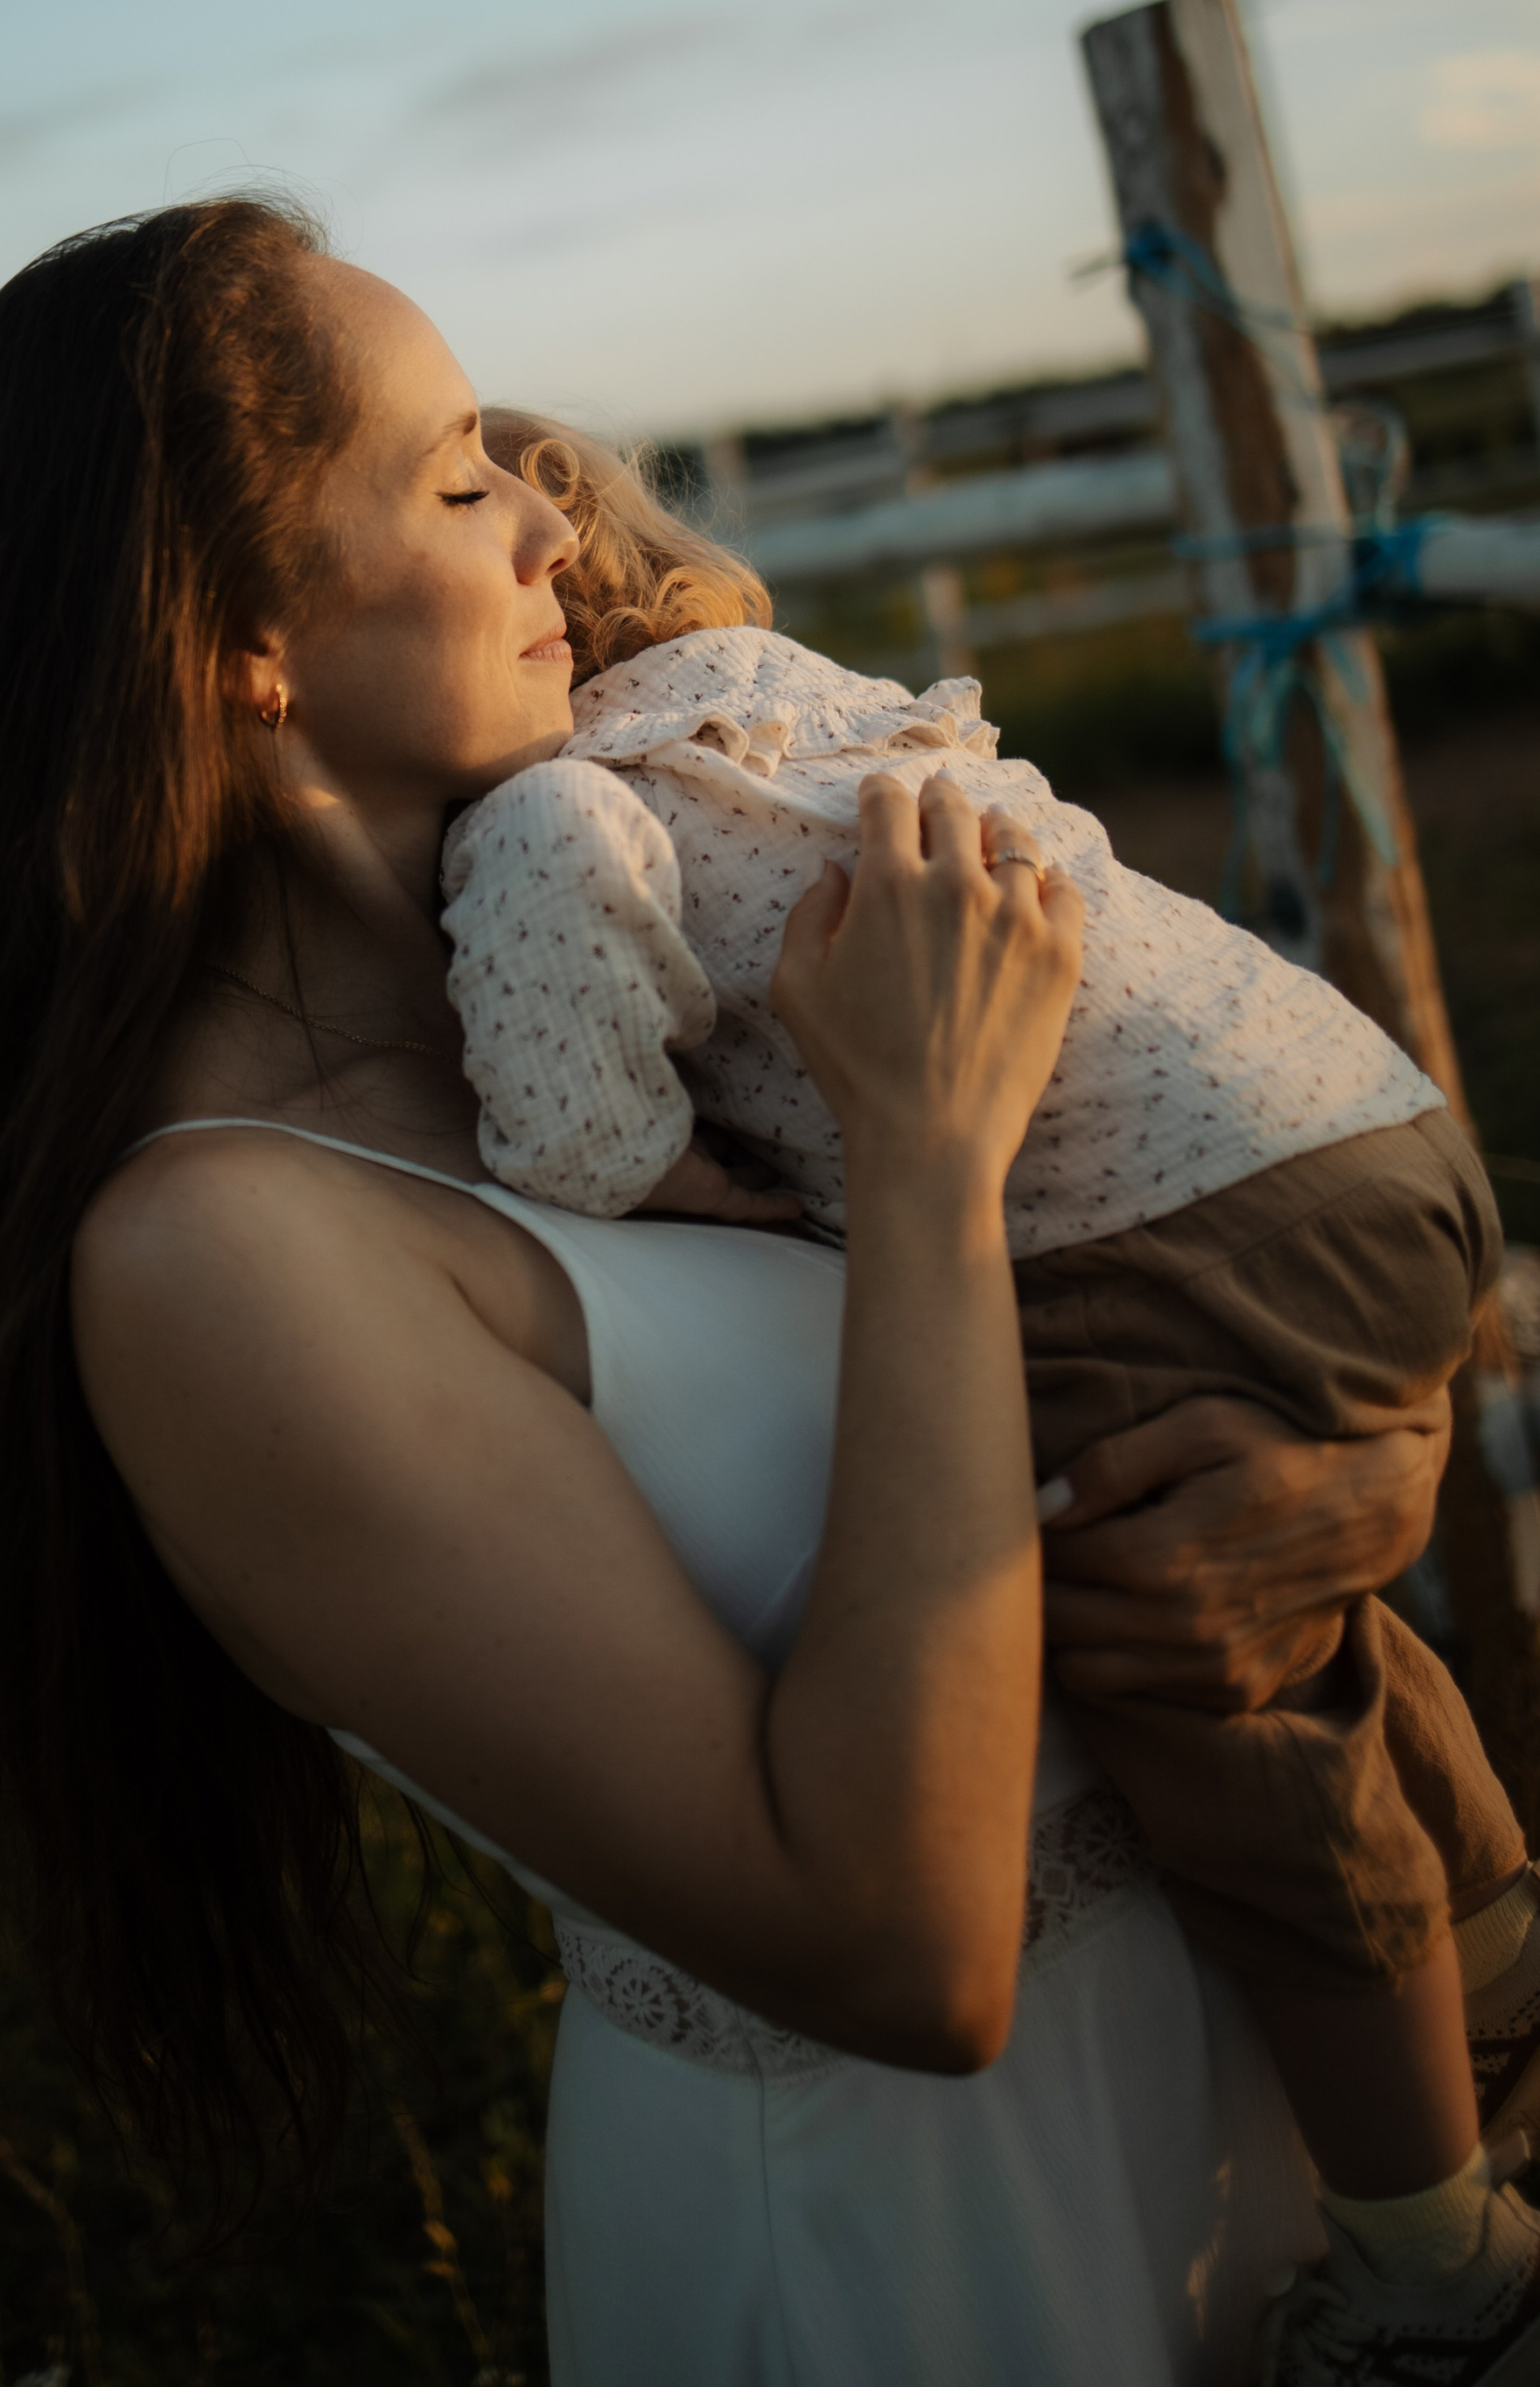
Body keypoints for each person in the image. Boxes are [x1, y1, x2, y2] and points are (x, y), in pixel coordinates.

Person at [0, 196, 1466, 2384]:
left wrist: (1344, 1467)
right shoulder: (218, 1255)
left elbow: (1054, 1394)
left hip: (1244, 2070)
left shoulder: (601, 983)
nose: (545, 512)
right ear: (234, 634)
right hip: (911, 2234)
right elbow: (898, 1943)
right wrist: (922, 1159)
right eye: (449, 477)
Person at [438, 410, 1540, 2379]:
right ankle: (1496, 1954)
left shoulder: (543, 810)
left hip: (1150, 1205)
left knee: (1203, 1672)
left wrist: (668, 1173)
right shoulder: (766, 693)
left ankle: (1428, 2261)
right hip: (1355, 1117)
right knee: (1296, 1609)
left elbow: (577, 1134)